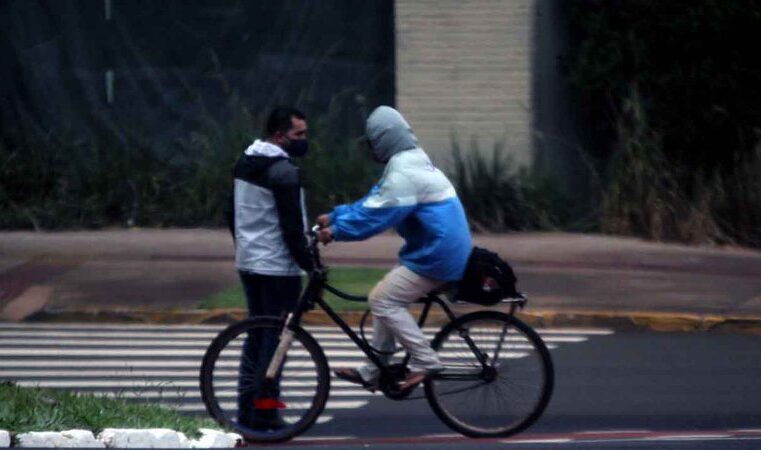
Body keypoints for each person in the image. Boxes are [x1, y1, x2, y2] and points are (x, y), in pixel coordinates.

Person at [317, 106, 472, 390]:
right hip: (438, 250)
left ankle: (426, 360)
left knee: (382, 300)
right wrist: (336, 215)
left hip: (437, 255)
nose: (372, 150)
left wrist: (336, 232)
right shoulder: (409, 163)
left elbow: (376, 216)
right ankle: (375, 369)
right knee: (385, 294)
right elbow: (373, 200)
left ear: (384, 141)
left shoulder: (404, 173)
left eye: (374, 143)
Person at [228, 106, 314, 430]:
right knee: (276, 341)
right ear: (279, 136)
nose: (304, 140)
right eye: (299, 135)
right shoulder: (282, 172)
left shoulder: (245, 163)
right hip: (278, 267)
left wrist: (244, 247)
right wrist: (310, 264)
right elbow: (292, 228)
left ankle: (246, 411)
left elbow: (230, 212)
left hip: (249, 262)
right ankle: (264, 411)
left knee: (257, 335)